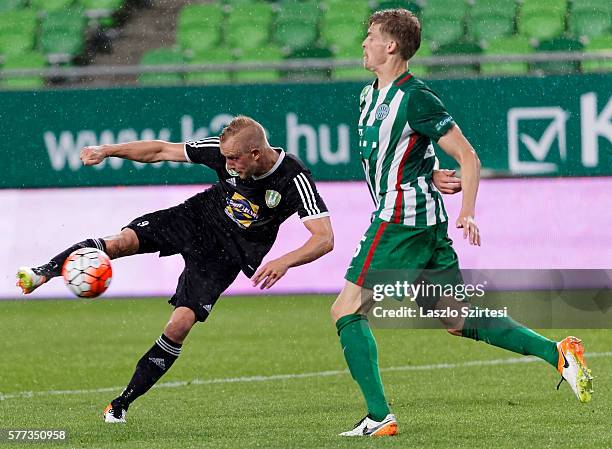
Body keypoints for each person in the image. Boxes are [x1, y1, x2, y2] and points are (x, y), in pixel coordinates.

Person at [330, 9, 593, 437]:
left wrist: (467, 210)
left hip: (401, 219)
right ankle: (558, 352)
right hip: (421, 220)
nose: (364, 43)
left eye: (371, 36)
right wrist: (428, 172)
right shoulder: (368, 96)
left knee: (346, 307)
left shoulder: (416, 96)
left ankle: (379, 417)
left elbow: (467, 156)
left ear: (391, 45)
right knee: (455, 319)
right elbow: (407, 154)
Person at [16, 115, 336, 423]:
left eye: (235, 160)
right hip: (195, 218)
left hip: (227, 255)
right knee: (122, 241)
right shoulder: (223, 152)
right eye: (225, 159)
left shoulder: (294, 177)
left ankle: (120, 404)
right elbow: (161, 150)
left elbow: (324, 238)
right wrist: (107, 150)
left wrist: (284, 261)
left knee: (180, 324)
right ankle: (42, 272)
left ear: (255, 154)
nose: (228, 166)